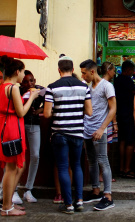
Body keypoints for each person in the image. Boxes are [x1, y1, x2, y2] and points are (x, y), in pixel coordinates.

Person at [44, 56, 92, 214]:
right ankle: (79, 201)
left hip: (59, 133)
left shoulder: (52, 88)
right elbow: (89, 111)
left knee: (63, 167)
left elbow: (46, 114)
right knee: (77, 165)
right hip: (77, 132)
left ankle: (68, 204)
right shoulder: (84, 87)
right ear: (72, 70)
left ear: (58, 70)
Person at [0, 55, 39, 216]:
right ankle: (6, 207)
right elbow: (21, 112)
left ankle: (7, 203)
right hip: (12, 127)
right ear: (17, 71)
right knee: (11, 168)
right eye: (23, 71)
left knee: (13, 167)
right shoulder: (13, 87)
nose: (24, 75)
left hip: (5, 125)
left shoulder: (2, 86)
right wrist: (32, 97)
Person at [80, 59, 116, 211]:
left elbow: (113, 109)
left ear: (92, 72)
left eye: (84, 73)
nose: (83, 76)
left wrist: (102, 128)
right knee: (92, 161)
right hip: (87, 130)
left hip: (99, 131)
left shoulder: (107, 86)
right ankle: (96, 191)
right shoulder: (88, 87)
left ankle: (107, 196)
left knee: (103, 161)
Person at [16, 70, 45, 203]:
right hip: (20, 125)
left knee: (35, 155)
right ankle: (14, 189)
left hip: (35, 125)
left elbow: (50, 103)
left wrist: (39, 110)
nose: (29, 83)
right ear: (21, 83)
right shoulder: (18, 91)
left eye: (31, 80)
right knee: (18, 156)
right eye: (26, 81)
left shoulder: (40, 91)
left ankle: (29, 188)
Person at [114, 60, 135, 178]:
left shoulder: (117, 80)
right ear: (128, 70)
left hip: (119, 113)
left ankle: (121, 168)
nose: (133, 72)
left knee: (122, 141)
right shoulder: (127, 80)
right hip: (128, 114)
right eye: (133, 70)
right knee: (130, 141)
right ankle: (127, 169)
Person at [100, 62, 118, 182]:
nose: (114, 72)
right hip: (106, 121)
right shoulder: (108, 85)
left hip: (100, 120)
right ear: (108, 70)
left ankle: (101, 175)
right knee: (105, 149)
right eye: (113, 70)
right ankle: (103, 175)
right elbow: (112, 107)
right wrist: (115, 122)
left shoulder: (97, 84)